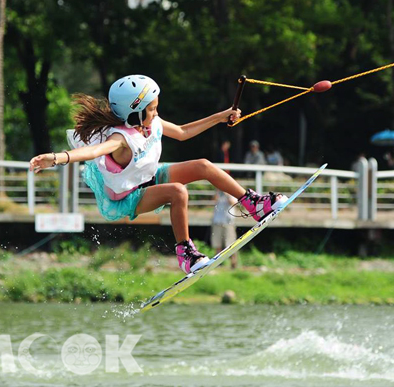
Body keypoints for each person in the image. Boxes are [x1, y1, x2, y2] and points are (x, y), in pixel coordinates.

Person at [29, 75, 287, 274]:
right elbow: (93, 151)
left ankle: (253, 204)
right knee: (177, 191)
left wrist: (220, 117)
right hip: (127, 197)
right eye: (152, 109)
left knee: (204, 165)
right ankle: (186, 254)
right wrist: (56, 158)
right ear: (135, 112)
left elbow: (184, 132)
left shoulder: (150, 122)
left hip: (149, 177)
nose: (156, 113)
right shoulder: (121, 139)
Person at [210, 190, 238, 269]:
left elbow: (233, 203)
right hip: (217, 221)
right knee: (217, 244)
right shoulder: (218, 193)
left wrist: (227, 193)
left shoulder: (232, 193)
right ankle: (217, 264)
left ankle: (233, 264)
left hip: (228, 222)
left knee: (230, 244)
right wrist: (218, 192)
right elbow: (213, 201)